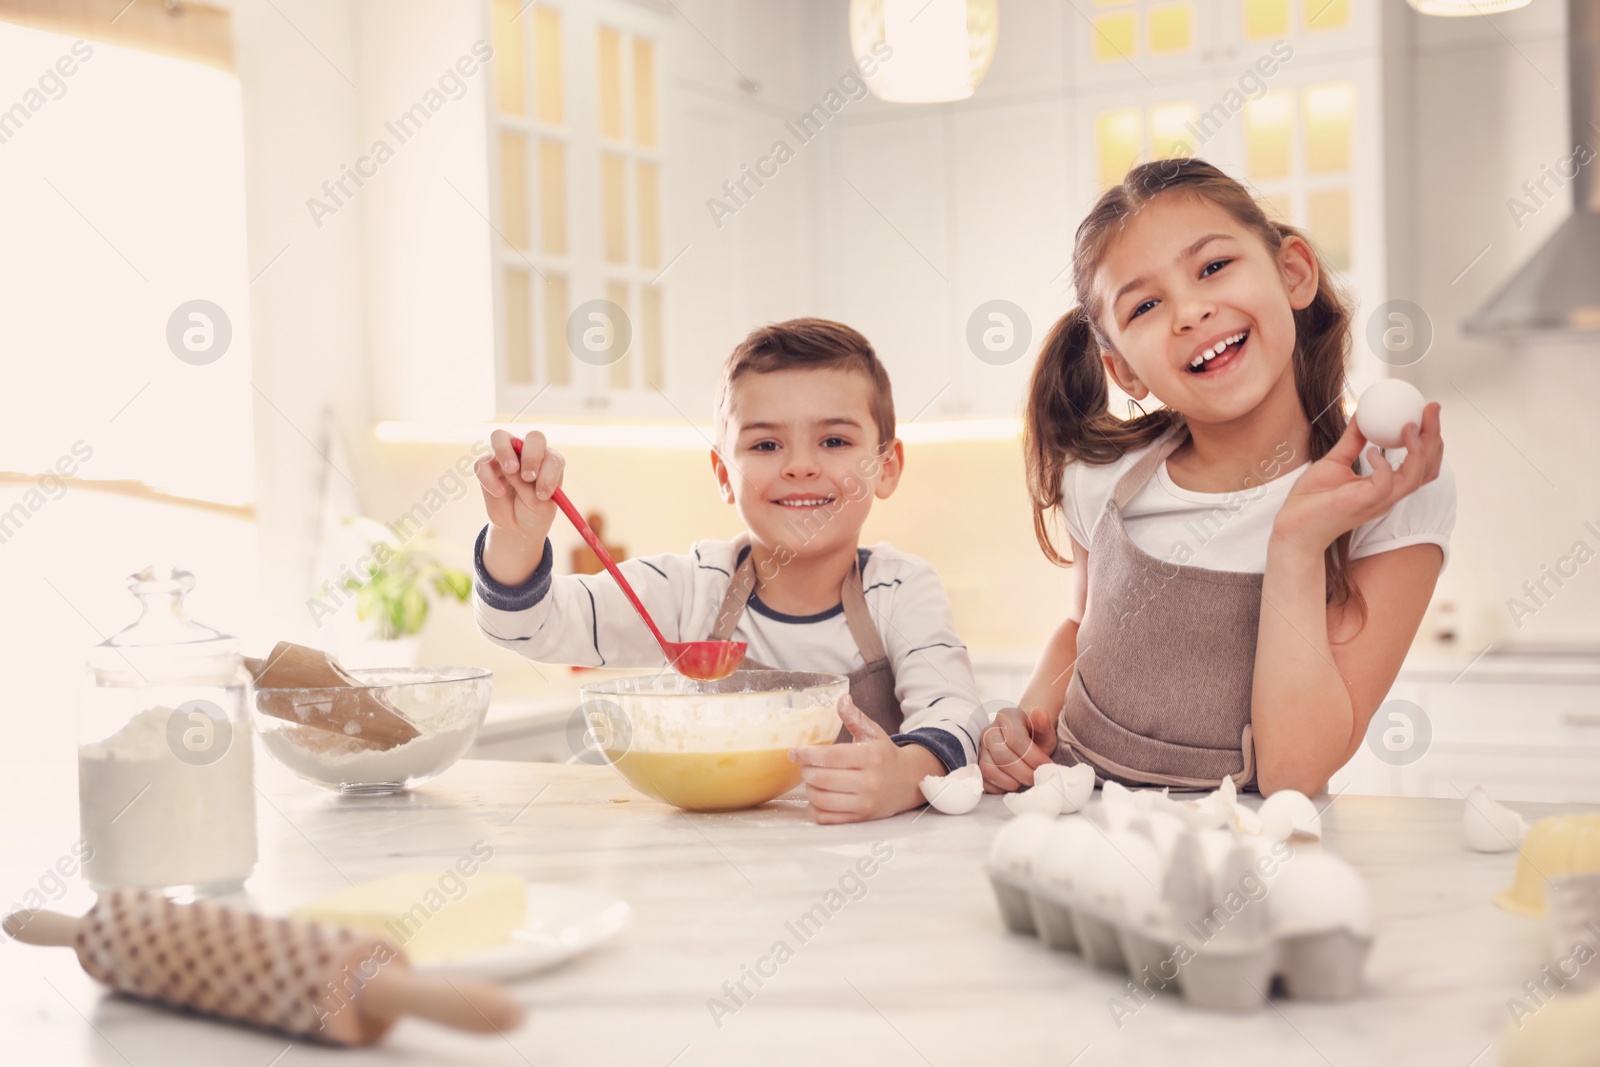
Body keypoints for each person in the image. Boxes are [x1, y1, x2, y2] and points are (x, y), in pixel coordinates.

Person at [980, 157, 1454, 797]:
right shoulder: (1099, 479)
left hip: (1252, 864)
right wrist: (1023, 729)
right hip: (1080, 834)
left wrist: (1298, 542)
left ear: (1293, 272)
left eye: (1212, 267)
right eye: (1146, 304)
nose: (1190, 311)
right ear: (1123, 370)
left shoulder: (1389, 493)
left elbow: (1294, 771)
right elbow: (1081, 628)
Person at [473, 318, 985, 822]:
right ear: (723, 474)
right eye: (765, 445)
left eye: (834, 441)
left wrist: (903, 775)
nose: (800, 465)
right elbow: (529, 627)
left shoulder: (901, 590)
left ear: (886, 467)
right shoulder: (691, 587)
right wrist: (517, 537)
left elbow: (957, 717)